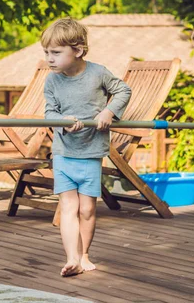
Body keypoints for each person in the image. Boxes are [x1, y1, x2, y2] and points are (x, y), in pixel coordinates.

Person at [42, 17, 131, 277]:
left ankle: (84, 255)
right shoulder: (52, 81)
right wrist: (62, 123)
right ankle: (72, 259)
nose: (49, 58)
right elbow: (50, 113)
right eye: (46, 52)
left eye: (56, 53)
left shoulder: (98, 73)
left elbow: (123, 91)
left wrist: (109, 112)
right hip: (63, 154)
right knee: (68, 208)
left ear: (78, 51)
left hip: (91, 154)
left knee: (87, 209)